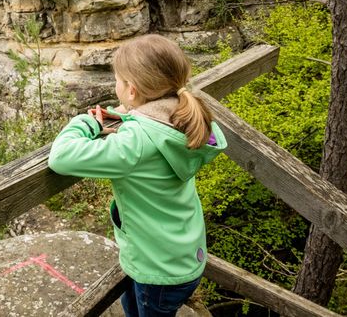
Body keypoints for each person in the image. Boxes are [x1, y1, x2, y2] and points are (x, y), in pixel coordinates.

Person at [47, 34, 227, 317]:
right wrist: (130, 114)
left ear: (131, 90)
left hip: (158, 272)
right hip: (182, 255)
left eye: (117, 79)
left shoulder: (136, 141)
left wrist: (86, 122)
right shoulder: (183, 116)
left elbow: (60, 157)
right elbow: (151, 127)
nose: (115, 85)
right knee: (134, 306)